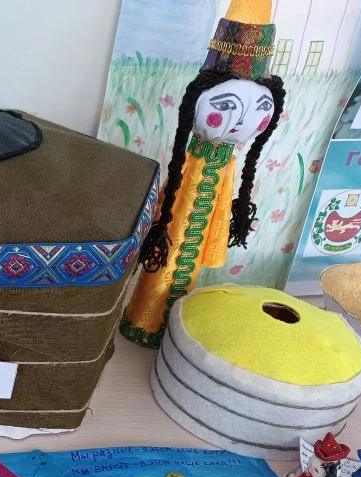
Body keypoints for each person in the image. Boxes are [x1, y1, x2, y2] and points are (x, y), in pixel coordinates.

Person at [121, 0, 285, 349]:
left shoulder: (228, 165)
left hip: (210, 190)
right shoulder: (189, 162)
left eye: (259, 112)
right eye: (227, 108)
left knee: (186, 266)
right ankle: (142, 322)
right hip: (183, 199)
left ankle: (170, 327)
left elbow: (223, 207)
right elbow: (168, 201)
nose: (241, 123)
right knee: (166, 253)